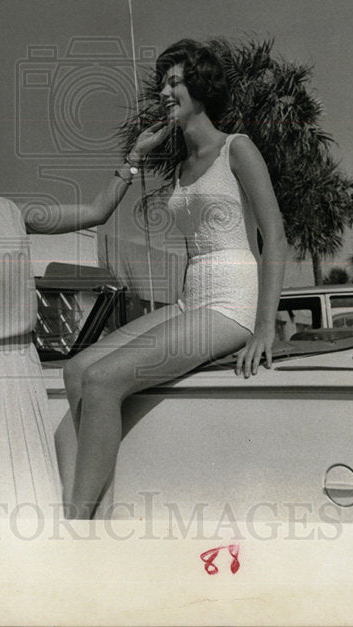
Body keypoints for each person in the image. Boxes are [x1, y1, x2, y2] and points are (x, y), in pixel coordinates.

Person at [0, 107, 168, 519]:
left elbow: (95, 212)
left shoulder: (11, 214)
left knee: (20, 504)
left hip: (16, 372)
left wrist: (134, 158)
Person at [62, 39, 288, 519]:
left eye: (174, 82)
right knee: (76, 371)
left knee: (102, 383)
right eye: (163, 83)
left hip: (233, 304)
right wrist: (137, 154)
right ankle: (92, 515)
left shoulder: (238, 148)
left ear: (200, 88)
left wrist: (266, 327)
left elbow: (275, 234)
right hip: (193, 299)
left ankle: (73, 528)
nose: (164, 91)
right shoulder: (182, 166)